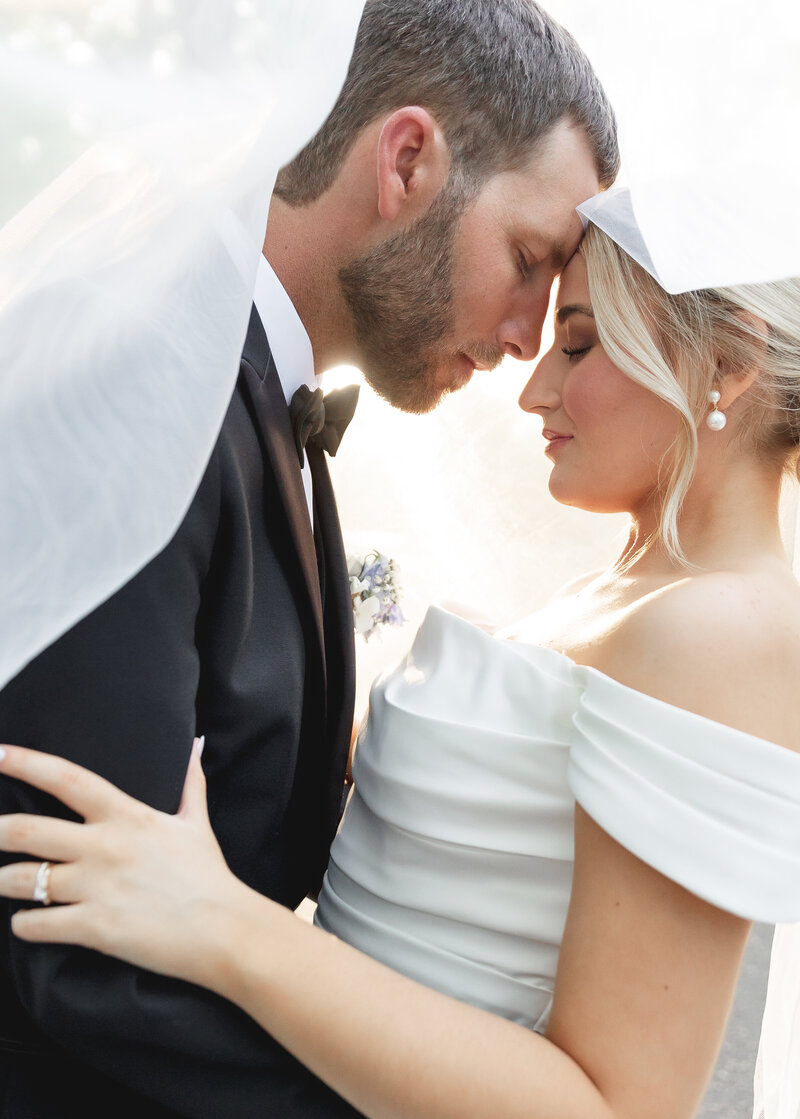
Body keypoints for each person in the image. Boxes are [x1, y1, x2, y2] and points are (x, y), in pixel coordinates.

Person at [0, 195, 799, 1119]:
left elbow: (616, 1107)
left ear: (727, 365)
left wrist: (218, 920)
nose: (535, 389)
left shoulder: (729, 627)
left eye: (578, 345)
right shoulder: (631, 593)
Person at [0, 2, 618, 1116]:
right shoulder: (132, 374)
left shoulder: (252, 395)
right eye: (527, 259)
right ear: (407, 160)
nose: (528, 336)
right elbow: (78, 944)